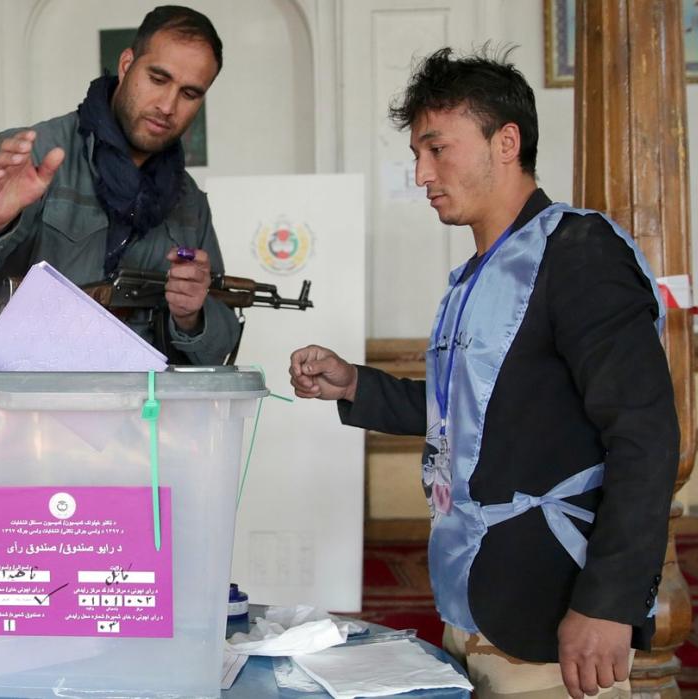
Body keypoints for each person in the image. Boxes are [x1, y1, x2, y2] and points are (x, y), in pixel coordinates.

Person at [289, 47, 678, 699]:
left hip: (558, 616)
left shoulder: (578, 252)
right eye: (417, 152)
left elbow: (645, 434)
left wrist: (608, 603)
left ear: (506, 141)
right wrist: (354, 383)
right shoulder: (476, 274)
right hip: (476, 597)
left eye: (437, 148)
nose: (421, 172)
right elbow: (470, 414)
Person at [0, 5, 239, 365]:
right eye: (158, 79)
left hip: (142, 415)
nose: (168, 106)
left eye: (189, 94)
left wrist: (192, 317)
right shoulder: (32, 153)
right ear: (126, 65)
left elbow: (217, 348)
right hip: (23, 410)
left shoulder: (189, 202)